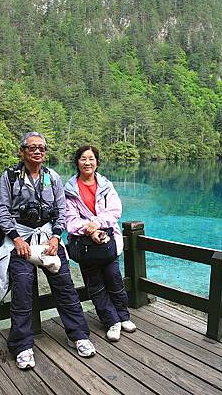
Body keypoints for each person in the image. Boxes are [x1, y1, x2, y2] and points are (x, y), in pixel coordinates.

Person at [0, 132, 96, 370]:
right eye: (32, 148)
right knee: (22, 289)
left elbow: (61, 209)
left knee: (65, 286)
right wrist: (17, 239)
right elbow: (2, 211)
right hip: (21, 241)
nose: (38, 151)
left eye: (41, 148)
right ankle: (22, 346)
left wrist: (55, 236)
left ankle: (79, 336)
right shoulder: (9, 177)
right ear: (23, 151)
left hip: (48, 238)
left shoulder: (52, 177)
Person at [64, 145, 136, 342]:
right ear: (77, 162)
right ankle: (111, 321)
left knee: (114, 277)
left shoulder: (106, 185)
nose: (87, 162)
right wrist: (91, 230)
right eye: (83, 159)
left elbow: (114, 211)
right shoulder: (69, 190)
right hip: (85, 244)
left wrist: (97, 224)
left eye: (91, 159)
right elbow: (69, 220)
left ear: (97, 162)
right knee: (95, 284)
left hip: (106, 240)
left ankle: (123, 316)